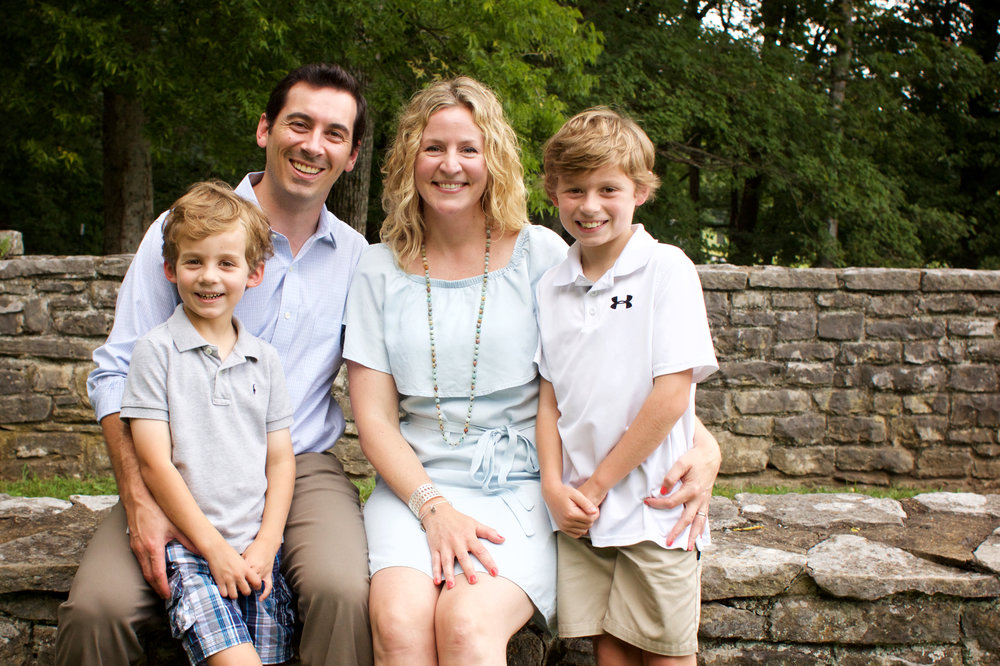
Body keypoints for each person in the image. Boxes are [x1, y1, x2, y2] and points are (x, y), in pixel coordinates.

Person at [343, 78, 721, 665]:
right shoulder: (376, 268)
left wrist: (705, 444)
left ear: (492, 158)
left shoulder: (544, 255)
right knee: (397, 623)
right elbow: (373, 419)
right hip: (412, 487)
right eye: (433, 147)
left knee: (466, 626)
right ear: (407, 159)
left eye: (469, 149)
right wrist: (433, 508)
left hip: (521, 486)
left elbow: (609, 372)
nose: (451, 165)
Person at [56, 63, 373, 666]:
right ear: (264, 129)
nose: (312, 145)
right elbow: (115, 371)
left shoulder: (359, 260)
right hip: (180, 461)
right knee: (97, 609)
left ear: (352, 155)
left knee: (343, 593)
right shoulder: (185, 231)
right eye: (297, 124)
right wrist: (138, 495)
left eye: (334, 134)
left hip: (298, 463)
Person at [534, 107, 718, 666]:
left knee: (664, 655)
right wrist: (553, 486)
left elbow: (670, 398)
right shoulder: (552, 284)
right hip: (580, 517)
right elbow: (549, 397)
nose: (590, 206)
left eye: (607, 188)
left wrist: (596, 486)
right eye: (575, 190)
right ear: (554, 192)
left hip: (650, 505)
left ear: (639, 191)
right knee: (608, 651)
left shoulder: (667, 269)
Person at [121, 180, 296, 665]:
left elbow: (280, 460)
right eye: (193, 261)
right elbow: (155, 463)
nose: (208, 276)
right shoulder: (155, 352)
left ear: (254, 273)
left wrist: (268, 542)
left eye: (226, 263)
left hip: (258, 555)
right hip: (193, 553)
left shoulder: (266, 360)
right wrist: (213, 549)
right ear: (170, 269)